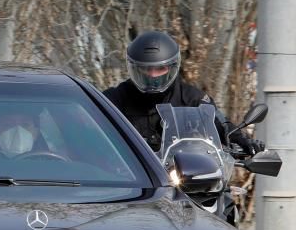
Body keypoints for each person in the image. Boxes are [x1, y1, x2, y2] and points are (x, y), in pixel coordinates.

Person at [104, 30, 257, 154]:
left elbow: (219, 123)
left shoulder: (192, 99)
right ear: (134, 69)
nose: (152, 75)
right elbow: (92, 122)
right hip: (131, 176)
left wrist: (241, 140)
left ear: (172, 67)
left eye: (160, 68)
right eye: (146, 69)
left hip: (183, 174)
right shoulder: (114, 99)